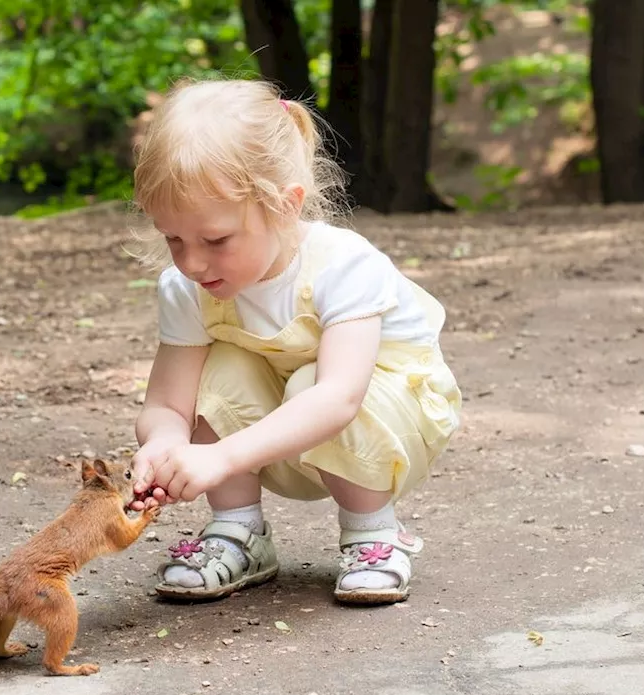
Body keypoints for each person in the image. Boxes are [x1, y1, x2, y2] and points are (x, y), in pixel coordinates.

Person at [124, 77, 462, 605]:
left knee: (313, 380)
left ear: (284, 207)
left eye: (215, 240)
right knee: (227, 363)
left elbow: (339, 397)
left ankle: (373, 534)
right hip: (277, 429)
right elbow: (168, 401)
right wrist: (165, 442)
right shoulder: (187, 287)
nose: (191, 262)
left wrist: (221, 456)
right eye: (173, 239)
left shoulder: (343, 265)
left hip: (390, 419)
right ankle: (239, 532)